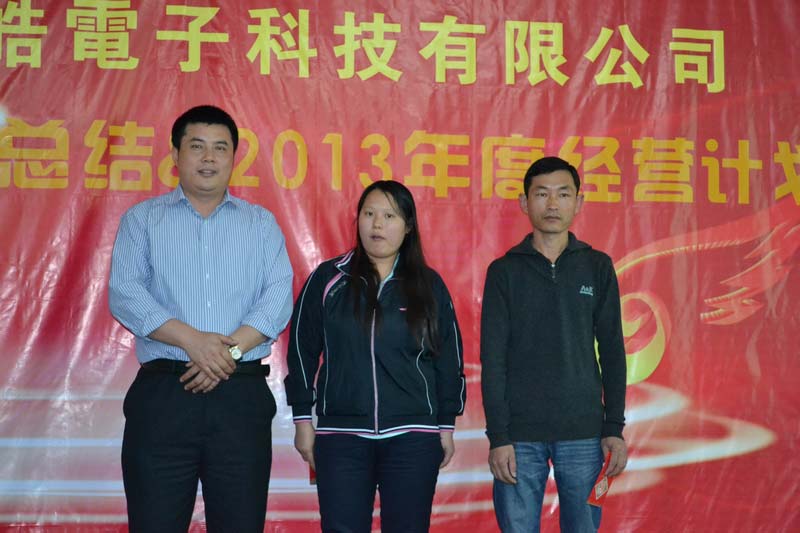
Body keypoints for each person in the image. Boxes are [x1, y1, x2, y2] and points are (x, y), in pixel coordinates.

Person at [108, 105, 293, 532]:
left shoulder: (260, 224)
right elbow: (125, 293)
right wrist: (192, 341)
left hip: (240, 397)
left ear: (234, 157)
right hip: (164, 396)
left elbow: (278, 297)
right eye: (197, 147)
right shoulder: (142, 220)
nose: (209, 158)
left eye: (220, 148)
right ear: (175, 154)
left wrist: (226, 354)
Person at [284, 180, 466, 533]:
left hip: (413, 435)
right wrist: (303, 421)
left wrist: (445, 425)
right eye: (369, 214)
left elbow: (448, 359)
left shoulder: (428, 285)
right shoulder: (328, 278)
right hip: (341, 436)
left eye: (389, 216)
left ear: (408, 226)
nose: (377, 224)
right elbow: (302, 350)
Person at [480, 156, 628, 532]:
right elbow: (492, 359)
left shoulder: (597, 266)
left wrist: (613, 427)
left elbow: (613, 351)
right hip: (518, 436)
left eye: (563, 194)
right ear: (524, 202)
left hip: (584, 433)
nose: (552, 204)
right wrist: (498, 436)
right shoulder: (504, 272)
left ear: (578, 202)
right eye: (541, 194)